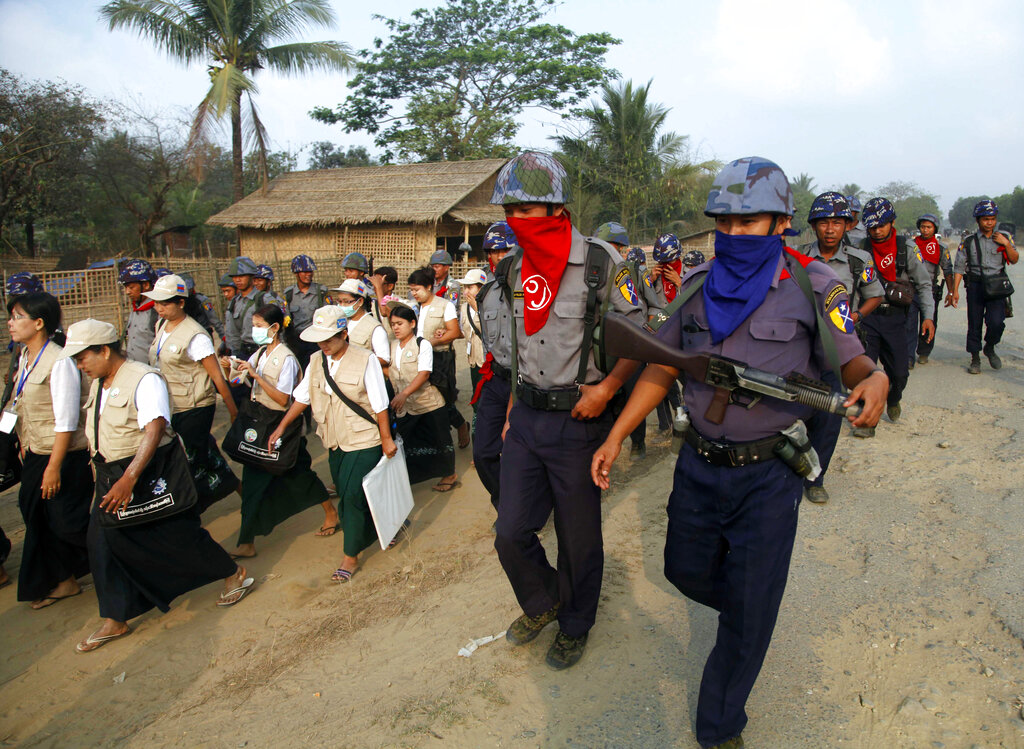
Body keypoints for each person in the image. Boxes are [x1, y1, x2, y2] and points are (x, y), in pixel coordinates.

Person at [591, 157, 888, 748]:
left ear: (780, 222)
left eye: (748, 222)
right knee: (683, 570)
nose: (733, 235)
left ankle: (720, 724)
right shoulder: (699, 287)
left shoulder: (813, 284)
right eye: (723, 223)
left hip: (768, 474)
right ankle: (751, 612)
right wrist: (617, 431)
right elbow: (660, 361)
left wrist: (872, 376)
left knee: (748, 611)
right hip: (698, 465)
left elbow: (850, 354)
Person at [489, 151, 645, 671]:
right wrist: (513, 406)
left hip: (579, 419)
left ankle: (575, 624)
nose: (516, 221)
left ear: (556, 208)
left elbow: (640, 337)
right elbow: (520, 344)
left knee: (578, 538)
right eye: (510, 209)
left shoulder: (601, 263)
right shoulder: (513, 267)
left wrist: (608, 389)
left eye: (526, 210)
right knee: (510, 530)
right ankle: (543, 602)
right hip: (528, 417)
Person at [66, 319, 255, 653]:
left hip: (145, 470)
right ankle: (116, 617)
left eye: (83, 357)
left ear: (105, 350)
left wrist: (130, 478)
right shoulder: (99, 382)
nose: (80, 365)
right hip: (112, 473)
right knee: (102, 541)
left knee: (175, 533)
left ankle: (231, 571)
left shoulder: (144, 379)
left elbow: (154, 429)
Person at [268, 306, 397, 583]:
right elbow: (302, 398)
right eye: (320, 339)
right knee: (351, 490)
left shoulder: (366, 360)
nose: (324, 345)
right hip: (334, 440)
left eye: (329, 339)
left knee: (350, 496)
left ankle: (350, 555)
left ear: (344, 334)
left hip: (364, 438)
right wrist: (280, 427)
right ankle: (383, 528)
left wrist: (386, 439)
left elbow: (380, 404)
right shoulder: (316, 361)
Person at [222, 304, 329, 558]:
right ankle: (246, 541)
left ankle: (331, 511)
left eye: (259, 326)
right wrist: (230, 368)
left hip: (281, 426)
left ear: (275, 328)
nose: (254, 331)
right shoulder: (259, 354)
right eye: (254, 326)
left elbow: (283, 399)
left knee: (300, 475)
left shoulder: (287, 358)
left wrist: (256, 377)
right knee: (254, 484)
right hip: (260, 424)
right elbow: (237, 380)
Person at [7, 292, 93, 609]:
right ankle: (64, 580)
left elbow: (67, 421)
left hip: (63, 456)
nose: (10, 323)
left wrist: (53, 467)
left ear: (39, 323)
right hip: (36, 450)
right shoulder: (25, 358)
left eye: (17, 317)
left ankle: (123, 559)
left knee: (68, 522)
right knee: (37, 514)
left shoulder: (59, 362)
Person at [800, 192, 884, 503]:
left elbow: (875, 294)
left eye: (837, 222)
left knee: (830, 419)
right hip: (799, 350)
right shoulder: (797, 258)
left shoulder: (857, 261)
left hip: (837, 353)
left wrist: (856, 316)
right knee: (793, 413)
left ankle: (815, 479)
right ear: (814, 226)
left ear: (847, 225)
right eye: (823, 222)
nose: (830, 229)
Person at [144, 274, 240, 513]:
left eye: (165, 303)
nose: (159, 308)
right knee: (205, 454)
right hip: (172, 406)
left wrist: (232, 411)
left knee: (190, 463)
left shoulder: (196, 335)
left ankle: (191, 509)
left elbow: (216, 375)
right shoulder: (161, 326)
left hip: (195, 407)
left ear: (181, 303)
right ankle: (243, 491)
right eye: (157, 302)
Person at [857, 197, 935, 435]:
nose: (877, 231)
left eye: (882, 225)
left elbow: (923, 284)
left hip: (896, 318)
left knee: (899, 373)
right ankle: (867, 421)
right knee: (864, 371)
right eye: (872, 227)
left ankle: (893, 398)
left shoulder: (907, 249)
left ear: (892, 223)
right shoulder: (859, 250)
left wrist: (928, 317)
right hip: (867, 318)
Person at [594, 221, 655, 459]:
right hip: (601, 351)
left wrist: (646, 339)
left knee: (632, 395)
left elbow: (657, 308)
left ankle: (638, 442)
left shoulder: (635, 273)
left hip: (630, 349)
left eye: (609, 246)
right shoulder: (591, 272)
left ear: (623, 249)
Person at [471, 221, 517, 516]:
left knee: (518, 448)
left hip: (526, 383)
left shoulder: (533, 289)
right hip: (495, 379)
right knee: (483, 451)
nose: (496, 257)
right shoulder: (485, 293)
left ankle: (521, 509)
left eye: (502, 250)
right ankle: (506, 505)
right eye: (491, 251)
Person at [386, 302, 458, 490]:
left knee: (440, 440)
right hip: (405, 407)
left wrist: (404, 393)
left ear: (412, 323)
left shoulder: (422, 344)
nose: (395, 327)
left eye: (399, 323)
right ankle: (411, 477)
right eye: (393, 324)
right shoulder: (392, 346)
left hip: (428, 403)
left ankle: (449, 475)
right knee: (407, 442)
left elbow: (424, 373)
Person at [948, 199, 1019, 373]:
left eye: (992, 218)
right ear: (978, 220)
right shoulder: (969, 241)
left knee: (996, 322)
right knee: (974, 323)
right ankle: (975, 359)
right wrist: (954, 291)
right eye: (985, 219)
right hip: (976, 285)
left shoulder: (1004, 237)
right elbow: (959, 267)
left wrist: (1007, 244)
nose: (989, 222)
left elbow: (1014, 259)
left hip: (997, 285)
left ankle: (990, 346)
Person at [408, 266, 469, 450]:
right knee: (424, 397)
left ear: (428, 287)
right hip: (418, 358)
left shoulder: (445, 305)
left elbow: (455, 332)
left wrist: (431, 343)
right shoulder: (413, 307)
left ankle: (459, 425)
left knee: (442, 398)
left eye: (416, 289)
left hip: (440, 358)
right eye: (411, 289)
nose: (414, 293)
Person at [910, 214, 953, 366]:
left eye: (929, 227)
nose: (925, 230)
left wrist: (951, 291)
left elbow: (947, 270)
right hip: (911, 289)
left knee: (929, 320)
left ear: (934, 228)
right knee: (909, 323)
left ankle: (923, 352)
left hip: (931, 290)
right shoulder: (911, 245)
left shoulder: (941, 248)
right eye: (923, 227)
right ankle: (909, 356)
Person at [283, 254, 333, 370]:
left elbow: (329, 316)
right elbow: (285, 320)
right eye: (304, 272)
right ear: (296, 273)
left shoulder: (321, 292)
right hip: (297, 343)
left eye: (310, 271)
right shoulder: (289, 294)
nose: (308, 274)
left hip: (317, 342)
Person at [335, 279, 390, 370]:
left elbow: (384, 359)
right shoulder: (341, 322)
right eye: (339, 302)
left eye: (346, 302)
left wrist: (358, 360)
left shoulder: (374, 328)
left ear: (360, 301)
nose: (342, 305)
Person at [457, 268, 488, 409]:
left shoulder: (488, 306)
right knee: (475, 395)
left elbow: (490, 330)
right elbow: (465, 331)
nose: (466, 292)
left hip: (487, 361)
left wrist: (478, 310)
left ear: (481, 288)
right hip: (473, 361)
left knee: (486, 398)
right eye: (465, 287)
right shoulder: (464, 307)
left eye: (470, 287)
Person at [119, 259, 159, 363]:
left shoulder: (157, 310)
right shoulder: (135, 309)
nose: (127, 292)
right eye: (126, 288)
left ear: (146, 285)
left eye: (131, 287)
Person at [650, 233, 683, 303]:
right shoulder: (656, 274)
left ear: (677, 257)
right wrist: (650, 281)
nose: (665, 265)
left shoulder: (689, 274)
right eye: (662, 262)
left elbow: (694, 303)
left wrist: (680, 284)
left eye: (669, 261)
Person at [429, 249, 462, 316]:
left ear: (446, 267)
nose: (434, 270)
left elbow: (452, 307)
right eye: (432, 267)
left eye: (437, 267)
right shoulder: (430, 282)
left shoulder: (452, 285)